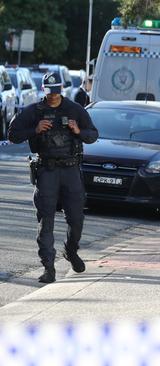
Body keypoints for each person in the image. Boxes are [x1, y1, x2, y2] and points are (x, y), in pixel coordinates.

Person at [7, 72, 98, 283]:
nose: (53, 97)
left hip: (70, 171)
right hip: (47, 171)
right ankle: (49, 267)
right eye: (49, 93)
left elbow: (93, 134)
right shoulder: (35, 111)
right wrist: (35, 129)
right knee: (45, 221)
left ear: (61, 91)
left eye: (56, 93)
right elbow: (13, 134)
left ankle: (71, 250)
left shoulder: (75, 109)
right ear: (44, 91)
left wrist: (78, 131)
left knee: (76, 219)